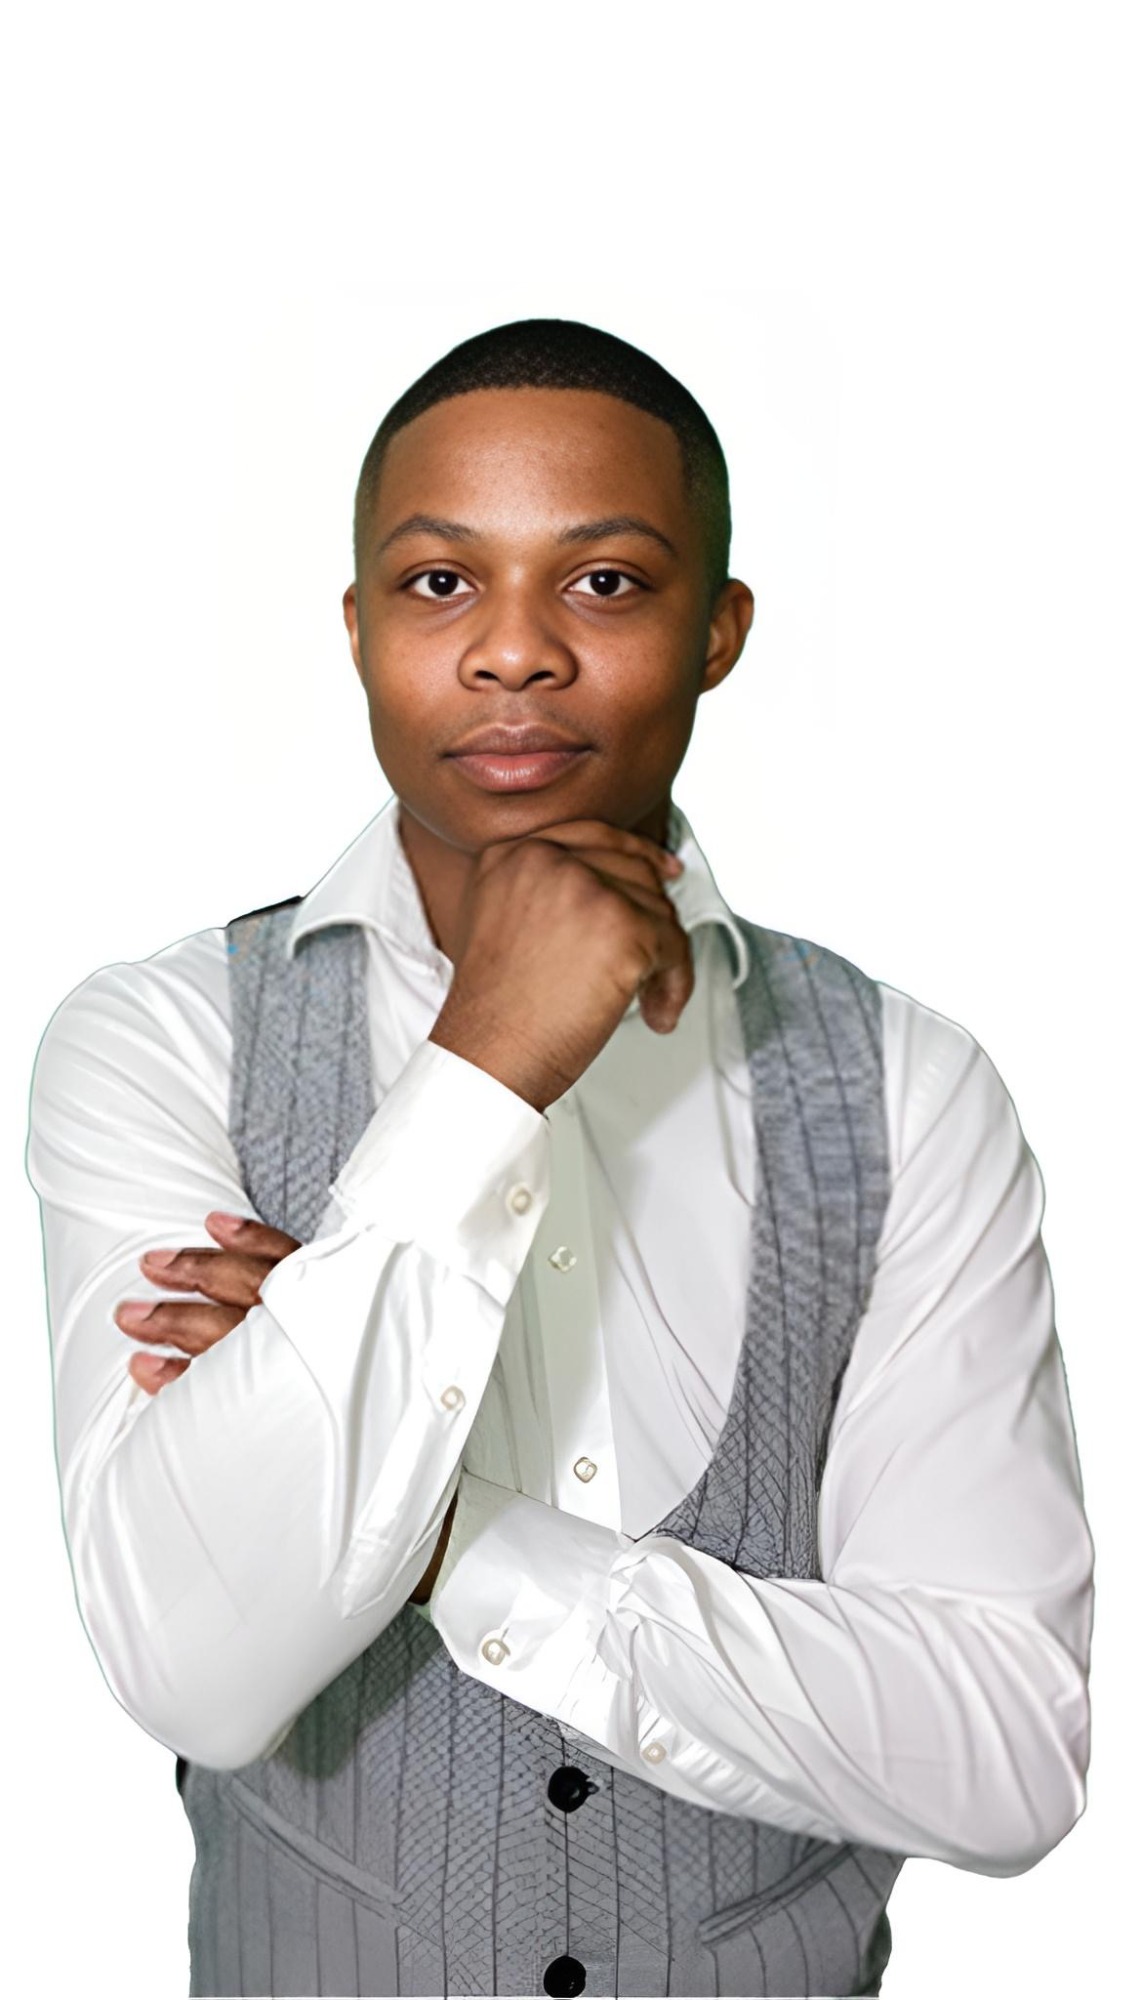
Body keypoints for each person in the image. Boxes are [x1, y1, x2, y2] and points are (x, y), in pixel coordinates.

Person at [25, 318, 1093, 2000]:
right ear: (360, 627)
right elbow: (192, 1667)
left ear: (716, 629)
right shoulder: (164, 1040)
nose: (514, 653)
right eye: (440, 583)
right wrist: (483, 1068)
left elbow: (1006, 1754)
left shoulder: (907, 1085)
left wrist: (444, 1539)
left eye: (602, 582)